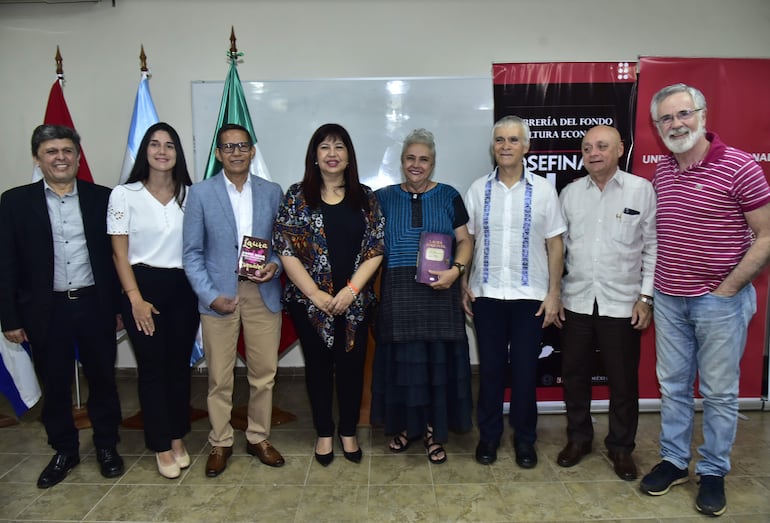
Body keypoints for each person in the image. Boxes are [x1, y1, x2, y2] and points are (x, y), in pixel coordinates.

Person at [639, 83, 770, 517]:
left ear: (703, 115)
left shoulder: (740, 166)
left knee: (718, 392)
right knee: (673, 387)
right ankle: (675, 461)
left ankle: (713, 470)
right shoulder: (664, 173)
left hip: (719, 303)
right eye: (667, 119)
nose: (676, 124)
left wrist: (728, 288)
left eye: (684, 114)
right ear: (657, 128)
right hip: (670, 299)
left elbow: (766, 235)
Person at [0, 124, 124, 488]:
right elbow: (5, 263)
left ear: (78, 156)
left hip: (94, 304)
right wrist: (9, 316)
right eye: (51, 151)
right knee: (54, 385)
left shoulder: (103, 197)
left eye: (67, 151)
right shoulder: (15, 202)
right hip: (45, 309)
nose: (60, 158)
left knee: (103, 380)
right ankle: (64, 450)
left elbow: (116, 258)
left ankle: (106, 446)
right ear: (38, 159)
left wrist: (118, 306)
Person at [274, 123, 384, 466]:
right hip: (310, 306)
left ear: (349, 157)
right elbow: (285, 248)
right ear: (315, 157)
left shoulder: (366, 198)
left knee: (351, 369)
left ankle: (348, 432)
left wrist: (351, 291)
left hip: (354, 305)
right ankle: (324, 433)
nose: (332, 154)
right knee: (318, 369)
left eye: (339, 147)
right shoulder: (296, 196)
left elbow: (376, 248)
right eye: (324, 147)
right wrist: (315, 295)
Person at [463, 115, 566, 468]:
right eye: (499, 140)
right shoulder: (477, 189)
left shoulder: (544, 190)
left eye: (512, 140)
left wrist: (554, 293)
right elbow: (468, 241)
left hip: (530, 298)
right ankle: (488, 438)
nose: (505, 146)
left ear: (526, 146)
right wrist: (464, 283)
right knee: (490, 371)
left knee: (524, 373)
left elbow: (555, 244)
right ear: (493, 147)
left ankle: (525, 440)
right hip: (487, 295)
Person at [183, 123, 285, 476]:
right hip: (219, 297)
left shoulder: (273, 192)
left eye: (242, 146)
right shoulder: (200, 194)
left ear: (252, 150)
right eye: (228, 147)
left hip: (262, 293)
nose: (236, 152)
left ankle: (258, 437)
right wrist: (210, 297)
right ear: (218, 154)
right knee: (219, 379)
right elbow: (192, 254)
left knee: (263, 375)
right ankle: (221, 441)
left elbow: (282, 245)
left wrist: (273, 265)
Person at [557, 125, 656, 480]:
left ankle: (620, 447)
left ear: (620, 149)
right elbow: (557, 250)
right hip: (577, 302)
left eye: (601, 146)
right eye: (586, 148)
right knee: (573, 376)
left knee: (623, 382)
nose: (593, 153)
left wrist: (646, 297)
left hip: (623, 303)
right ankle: (579, 439)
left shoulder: (641, 191)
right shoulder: (569, 194)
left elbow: (653, 247)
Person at [372, 128, 473, 465]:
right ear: (402, 162)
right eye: (410, 158)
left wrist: (456, 272)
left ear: (433, 163)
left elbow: (466, 241)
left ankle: (432, 433)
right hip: (399, 292)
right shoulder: (382, 197)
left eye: (424, 159)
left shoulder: (449, 196)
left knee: (435, 366)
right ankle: (404, 428)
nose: (417, 165)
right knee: (403, 366)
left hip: (439, 290)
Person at [107, 122, 199, 479]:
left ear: (177, 154)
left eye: (170, 145)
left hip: (183, 288)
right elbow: (119, 254)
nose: (162, 151)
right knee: (152, 367)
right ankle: (161, 444)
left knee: (178, 367)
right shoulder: (124, 194)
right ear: (145, 151)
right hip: (141, 286)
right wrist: (135, 299)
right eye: (155, 145)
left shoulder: (190, 194)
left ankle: (177, 437)